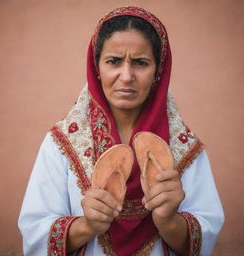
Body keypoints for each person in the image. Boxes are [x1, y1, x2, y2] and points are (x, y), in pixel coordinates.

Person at [18, 6, 224, 256]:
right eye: (113, 61)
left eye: (140, 63)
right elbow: (34, 231)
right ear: (97, 67)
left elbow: (207, 232)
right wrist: (85, 226)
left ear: (158, 71)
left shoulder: (185, 149)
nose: (126, 76)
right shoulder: (62, 144)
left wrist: (170, 222)